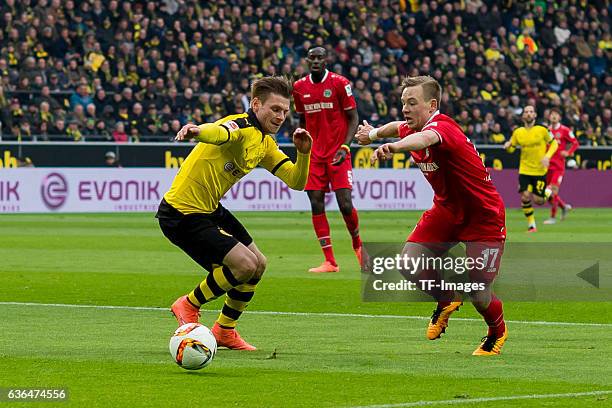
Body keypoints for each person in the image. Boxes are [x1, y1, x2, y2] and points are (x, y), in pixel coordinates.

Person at [356, 75, 508, 356]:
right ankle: (446, 298)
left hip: (483, 216)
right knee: (409, 263)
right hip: (447, 211)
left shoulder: (442, 127)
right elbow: (396, 128)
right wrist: (375, 134)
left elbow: (425, 138)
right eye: (403, 103)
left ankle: (496, 331)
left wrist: (393, 148)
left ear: (432, 105)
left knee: (478, 290)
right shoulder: (414, 126)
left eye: (412, 103)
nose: (405, 109)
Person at [157, 76, 312, 351]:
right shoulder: (241, 125)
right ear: (256, 104)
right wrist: (197, 131)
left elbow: (297, 182)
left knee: (259, 264)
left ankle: (225, 330)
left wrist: (304, 154)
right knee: (244, 265)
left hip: (209, 208)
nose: (281, 117)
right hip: (182, 212)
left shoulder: (265, 143)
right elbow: (220, 132)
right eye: (275, 109)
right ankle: (188, 304)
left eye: (285, 111)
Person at [292, 47, 361, 274]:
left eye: (320, 57)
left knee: (345, 204)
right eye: (312, 57)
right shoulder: (299, 87)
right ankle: (330, 261)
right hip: (314, 156)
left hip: (338, 153)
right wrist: (302, 143)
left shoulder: (340, 83)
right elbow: (302, 118)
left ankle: (357, 245)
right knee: (316, 203)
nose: (316, 61)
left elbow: (353, 118)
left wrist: (345, 146)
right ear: (307, 60)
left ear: (326, 60)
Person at [503, 106, 558, 232]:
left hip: (539, 170)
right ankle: (532, 225)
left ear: (535, 115)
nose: (528, 114)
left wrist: (547, 156)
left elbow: (554, 143)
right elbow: (512, 148)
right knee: (525, 197)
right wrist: (508, 146)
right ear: (523, 116)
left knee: (539, 201)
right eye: (526, 112)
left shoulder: (543, 130)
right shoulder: (518, 132)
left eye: (531, 112)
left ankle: (547, 192)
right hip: (525, 170)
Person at [543, 108, 579, 224]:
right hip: (547, 166)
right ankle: (563, 206)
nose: (553, 116)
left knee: (553, 191)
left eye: (556, 115)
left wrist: (568, 153)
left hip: (558, 166)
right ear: (549, 117)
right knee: (546, 193)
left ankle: (553, 217)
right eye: (551, 114)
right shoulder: (546, 131)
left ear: (559, 117)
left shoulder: (565, 130)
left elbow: (575, 143)